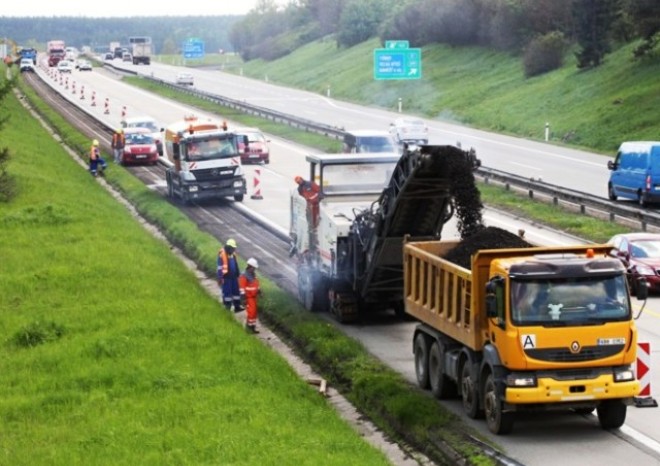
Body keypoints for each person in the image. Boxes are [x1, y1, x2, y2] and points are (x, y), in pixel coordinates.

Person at [217, 238, 242, 312]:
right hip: (226, 277)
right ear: (228, 247)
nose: (233, 250)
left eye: (234, 248)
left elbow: (235, 264)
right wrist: (220, 277)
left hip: (234, 277)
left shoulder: (233, 255)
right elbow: (219, 268)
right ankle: (227, 306)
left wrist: (238, 273)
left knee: (236, 292)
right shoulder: (222, 254)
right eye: (232, 248)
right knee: (227, 292)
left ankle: (237, 306)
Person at [239, 257, 261, 334]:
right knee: (251, 312)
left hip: (254, 297)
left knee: (254, 312)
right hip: (248, 297)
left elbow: (256, 284)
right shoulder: (244, 276)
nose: (254, 269)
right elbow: (242, 289)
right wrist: (243, 299)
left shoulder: (253, 275)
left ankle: (252, 327)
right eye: (254, 268)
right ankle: (248, 327)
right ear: (250, 267)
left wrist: (259, 291)